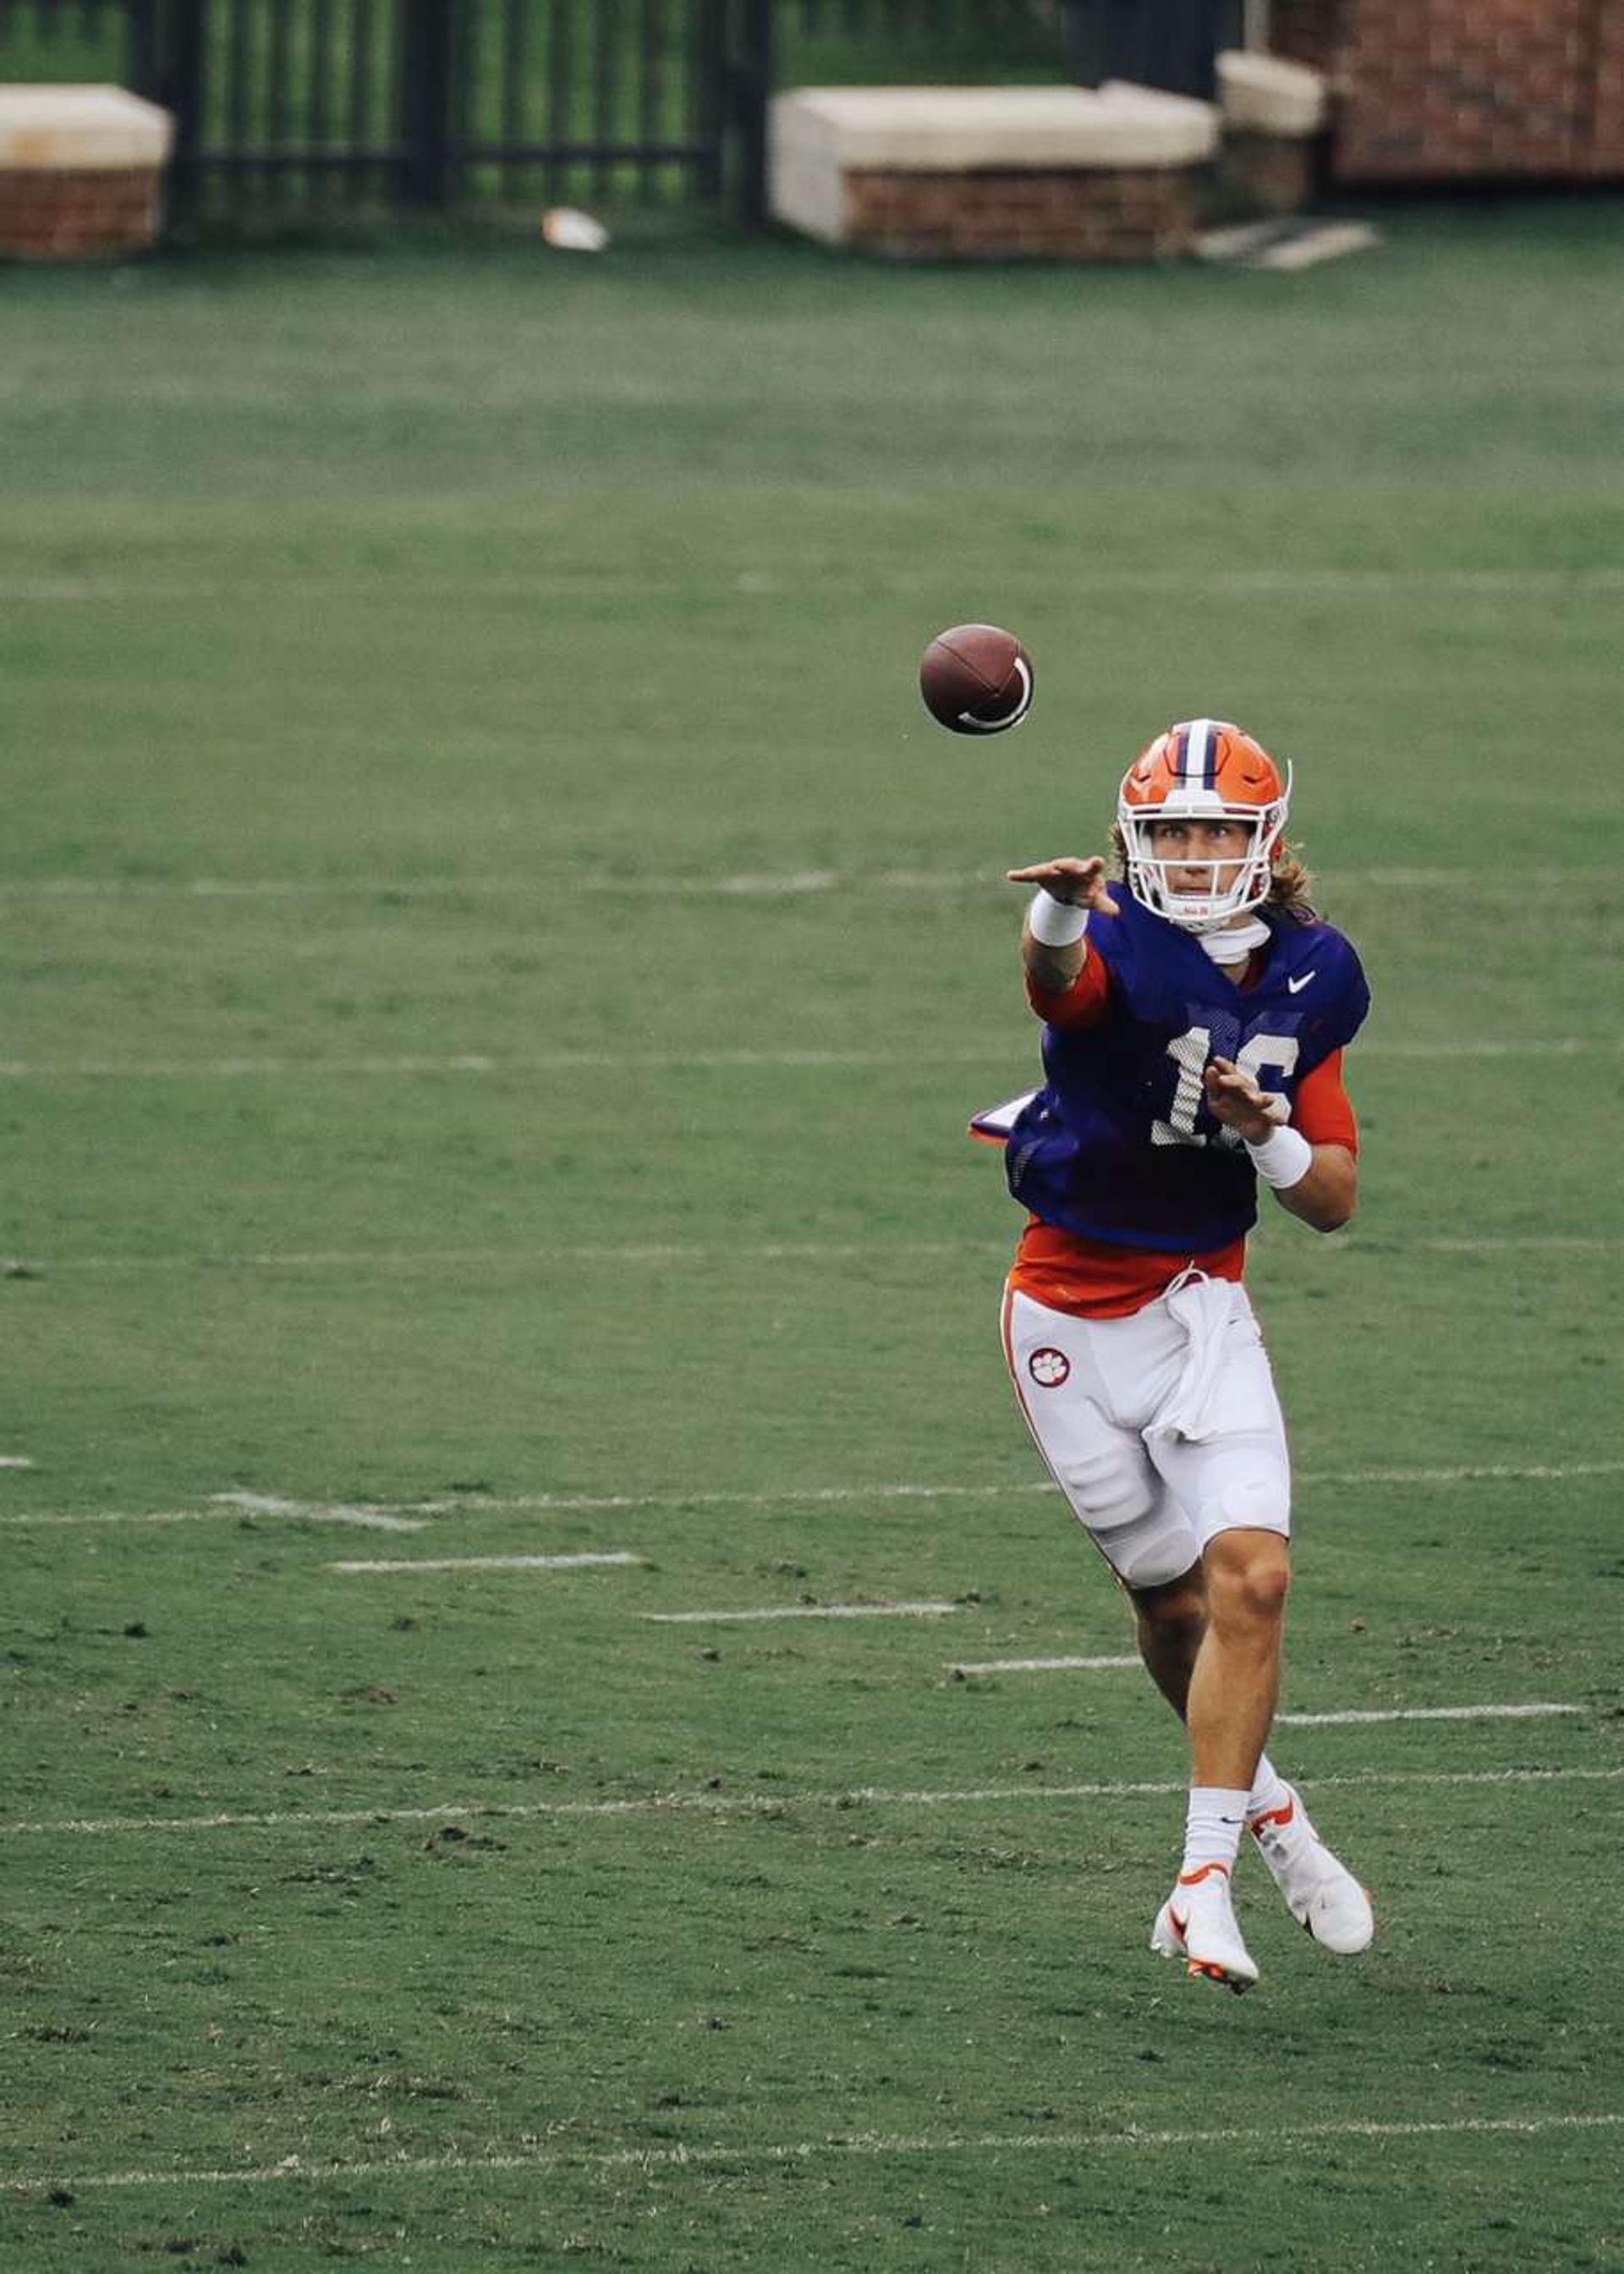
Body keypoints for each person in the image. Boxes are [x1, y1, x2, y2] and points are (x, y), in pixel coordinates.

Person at [983, 717, 1374, 1993]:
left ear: (1265, 841)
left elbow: (1331, 1198)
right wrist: (1054, 919)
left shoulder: (1317, 975)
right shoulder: (1111, 943)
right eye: (1172, 832)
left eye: (1216, 829)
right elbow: (1063, 989)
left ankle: (1201, 1882)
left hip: (1201, 1309)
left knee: (1251, 1581)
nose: (1197, 853)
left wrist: (1265, 1136)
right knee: (1171, 1611)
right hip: (1064, 1320)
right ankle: (1276, 1820)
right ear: (1129, 845)